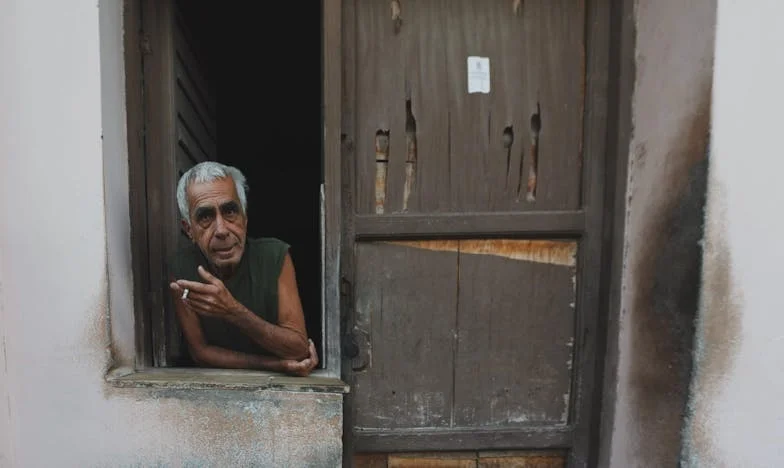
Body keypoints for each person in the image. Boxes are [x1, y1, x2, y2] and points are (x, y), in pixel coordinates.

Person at [167, 161, 318, 377]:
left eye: (230, 212)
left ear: (245, 218)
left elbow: (298, 348)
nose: (221, 230)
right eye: (205, 217)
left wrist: (233, 311)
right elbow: (200, 352)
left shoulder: (274, 256)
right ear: (189, 229)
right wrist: (276, 365)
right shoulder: (182, 269)